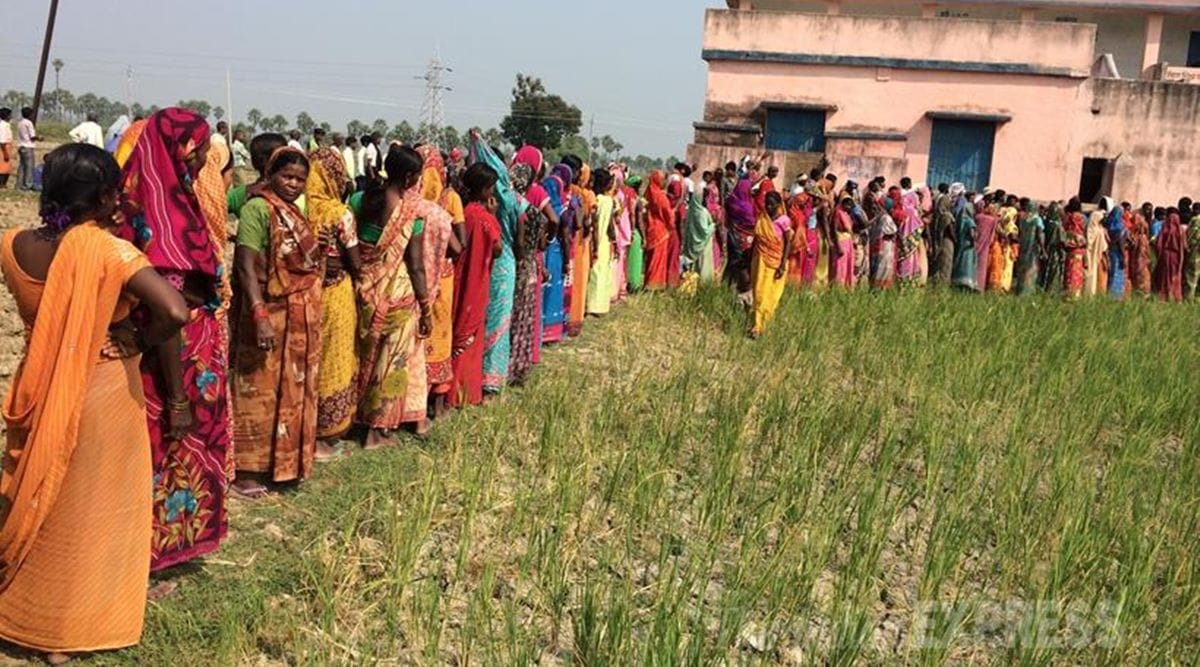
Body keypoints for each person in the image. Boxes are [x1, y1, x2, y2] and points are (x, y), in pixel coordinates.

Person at [0, 144, 189, 661]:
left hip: (39, 383)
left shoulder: (11, 244)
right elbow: (174, 311)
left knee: (43, 498)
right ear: (105, 196)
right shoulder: (108, 251)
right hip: (102, 385)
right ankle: (69, 630)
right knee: (96, 508)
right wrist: (140, 342)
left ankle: (23, 613)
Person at [119, 108, 233, 569]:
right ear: (183, 149)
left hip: (188, 358)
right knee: (166, 450)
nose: (207, 156)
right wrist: (178, 396)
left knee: (180, 454)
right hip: (172, 365)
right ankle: (151, 556)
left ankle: (173, 547)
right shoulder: (155, 213)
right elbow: (168, 311)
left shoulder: (166, 197)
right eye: (202, 147)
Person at [230, 147, 323, 486]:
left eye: (300, 179)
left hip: (298, 318)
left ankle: (284, 464)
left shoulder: (295, 213)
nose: (293, 184)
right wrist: (259, 314)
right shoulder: (258, 209)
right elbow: (245, 265)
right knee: (258, 389)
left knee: (294, 387)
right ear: (270, 174)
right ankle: (247, 471)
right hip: (267, 311)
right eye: (287, 176)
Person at [354, 145, 431, 446]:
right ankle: (377, 429)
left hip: (363, 287)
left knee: (362, 356)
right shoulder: (412, 213)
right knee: (390, 360)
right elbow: (415, 265)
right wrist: (425, 307)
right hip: (396, 294)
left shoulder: (361, 199)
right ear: (411, 177)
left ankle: (354, 418)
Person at [306, 148, 362, 453]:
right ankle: (327, 431)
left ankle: (305, 425)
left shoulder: (298, 208)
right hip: (335, 292)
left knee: (310, 355)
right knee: (334, 356)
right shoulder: (339, 213)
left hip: (304, 292)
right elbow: (353, 261)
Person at [450, 162, 502, 407]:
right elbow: (498, 249)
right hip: (477, 281)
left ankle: (449, 388)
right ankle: (463, 391)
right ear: (484, 190)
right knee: (471, 333)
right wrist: (493, 217)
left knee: (457, 325)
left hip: (458, 278)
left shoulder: (461, 212)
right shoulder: (484, 219)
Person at [417, 146, 463, 419]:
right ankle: (436, 401)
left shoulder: (405, 204)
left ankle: (414, 403)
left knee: (419, 337)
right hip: (442, 277)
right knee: (439, 334)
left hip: (415, 280)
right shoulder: (446, 202)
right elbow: (459, 246)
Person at [507, 147, 554, 384]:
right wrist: (544, 243)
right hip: (529, 261)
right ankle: (520, 363)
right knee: (525, 314)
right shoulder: (534, 201)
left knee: (508, 313)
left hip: (508, 263)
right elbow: (552, 220)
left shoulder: (504, 199)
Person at [750, 191, 791, 337]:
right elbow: (757, 238)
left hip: (774, 262)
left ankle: (763, 325)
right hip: (759, 260)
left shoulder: (784, 220)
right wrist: (750, 256)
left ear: (779, 205)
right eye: (766, 203)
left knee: (769, 295)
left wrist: (782, 265)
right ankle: (756, 325)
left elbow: (788, 243)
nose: (768, 206)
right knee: (758, 292)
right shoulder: (762, 218)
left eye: (771, 204)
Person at [541, 163, 572, 343]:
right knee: (553, 290)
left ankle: (541, 328)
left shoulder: (540, 207)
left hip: (544, 253)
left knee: (543, 289)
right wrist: (567, 261)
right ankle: (551, 331)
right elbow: (566, 237)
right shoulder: (560, 211)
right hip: (555, 253)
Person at [586, 168, 617, 314]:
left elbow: (595, 224)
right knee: (602, 273)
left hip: (592, 240)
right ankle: (599, 306)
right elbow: (610, 225)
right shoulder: (609, 202)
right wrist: (613, 240)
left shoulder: (594, 199)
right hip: (604, 242)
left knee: (593, 273)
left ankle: (590, 304)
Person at [681, 175, 717, 282]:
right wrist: (713, 225)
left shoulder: (691, 211)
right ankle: (703, 284)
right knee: (703, 265)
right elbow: (704, 232)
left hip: (692, 244)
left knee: (694, 267)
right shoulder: (702, 212)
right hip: (702, 245)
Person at [644, 170, 673, 290]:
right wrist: (671, 224)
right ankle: (654, 284)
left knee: (651, 258)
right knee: (658, 258)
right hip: (660, 229)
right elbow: (667, 213)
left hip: (650, 227)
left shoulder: (649, 193)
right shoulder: (660, 196)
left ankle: (649, 282)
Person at [1153, 208, 1185, 302]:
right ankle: (1175, 296)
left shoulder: (1165, 228)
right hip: (1176, 255)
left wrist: (1159, 254)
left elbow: (1158, 244)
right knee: (1175, 274)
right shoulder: (1180, 230)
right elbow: (1184, 245)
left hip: (1165, 255)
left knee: (1164, 275)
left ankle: (1164, 295)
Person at [1013, 198, 1044, 296]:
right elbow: (1039, 234)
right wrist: (1042, 248)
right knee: (1031, 267)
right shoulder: (1037, 219)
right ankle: (1028, 290)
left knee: (1022, 267)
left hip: (1023, 245)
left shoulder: (1023, 218)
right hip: (1032, 246)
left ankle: (1019, 289)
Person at [869, 194, 898, 289]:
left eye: (879, 205)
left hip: (885, 246)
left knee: (883, 265)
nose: (876, 206)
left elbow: (892, 231)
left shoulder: (886, 218)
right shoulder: (879, 216)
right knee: (878, 265)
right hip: (879, 245)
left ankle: (881, 286)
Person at [951, 191, 978, 291]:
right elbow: (971, 232)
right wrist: (973, 240)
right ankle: (967, 282)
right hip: (968, 245)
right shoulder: (969, 220)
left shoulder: (960, 219)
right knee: (967, 263)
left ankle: (957, 280)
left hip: (961, 243)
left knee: (960, 261)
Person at [1061, 198, 1088, 301]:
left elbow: (1064, 228)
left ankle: (1068, 291)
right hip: (1079, 247)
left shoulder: (1067, 217)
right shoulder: (1083, 218)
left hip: (1070, 246)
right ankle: (1076, 293)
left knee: (1069, 269)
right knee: (1077, 270)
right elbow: (1084, 230)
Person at [1084, 198, 1111, 297]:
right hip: (1094, 254)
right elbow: (1103, 246)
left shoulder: (1095, 228)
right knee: (1092, 272)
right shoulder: (1097, 230)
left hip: (1093, 254)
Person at [625, 175, 646, 293]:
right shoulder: (637, 200)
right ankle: (634, 284)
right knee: (636, 260)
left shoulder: (625, 197)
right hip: (634, 233)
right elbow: (638, 220)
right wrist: (643, 237)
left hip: (625, 232)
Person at [1127, 202, 1153, 296]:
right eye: (1146, 209)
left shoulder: (1148, 221)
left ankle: (1143, 290)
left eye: (1150, 209)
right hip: (1139, 248)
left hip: (1143, 248)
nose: (1148, 211)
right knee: (1139, 268)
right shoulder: (1139, 219)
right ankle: (1138, 289)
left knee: (1143, 269)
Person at [1105, 203, 1129, 300]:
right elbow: (1121, 243)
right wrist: (1123, 257)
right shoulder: (1120, 227)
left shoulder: (1107, 225)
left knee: (1110, 273)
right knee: (1117, 274)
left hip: (1110, 251)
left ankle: (1107, 291)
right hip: (1117, 253)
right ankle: (1115, 296)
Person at [974, 197, 998, 292]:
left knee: (974, 263)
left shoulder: (977, 217)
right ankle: (980, 286)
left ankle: (972, 282)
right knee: (982, 266)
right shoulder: (992, 220)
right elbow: (993, 234)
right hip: (985, 245)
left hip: (976, 243)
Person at [1040, 202, 1065, 294]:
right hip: (1055, 251)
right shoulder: (1058, 225)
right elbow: (1061, 241)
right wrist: (1062, 253)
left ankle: (1043, 287)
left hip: (1046, 248)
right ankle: (1052, 290)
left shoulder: (1046, 222)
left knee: (1045, 269)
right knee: (1054, 271)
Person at [16, 107, 36, 191]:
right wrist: (39, 138)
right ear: (30, 114)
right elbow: (32, 137)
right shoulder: (29, 123)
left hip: (21, 146)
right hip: (28, 146)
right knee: (29, 167)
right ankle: (28, 186)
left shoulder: (20, 123)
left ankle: (19, 185)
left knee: (22, 166)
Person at [1183, 203, 1200, 299]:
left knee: (1192, 272)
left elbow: (1190, 234)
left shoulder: (1195, 220)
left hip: (1195, 248)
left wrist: (1186, 246)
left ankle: (1189, 296)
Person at [0, 108, 12, 188]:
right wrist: (5, 153)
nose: (11, 116)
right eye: (10, 115)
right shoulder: (3, 126)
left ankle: (3, 184)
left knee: (7, 167)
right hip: (4, 147)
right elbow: (2, 141)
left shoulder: (6, 125)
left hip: (7, 146)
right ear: (7, 116)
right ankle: (2, 184)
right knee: (3, 167)